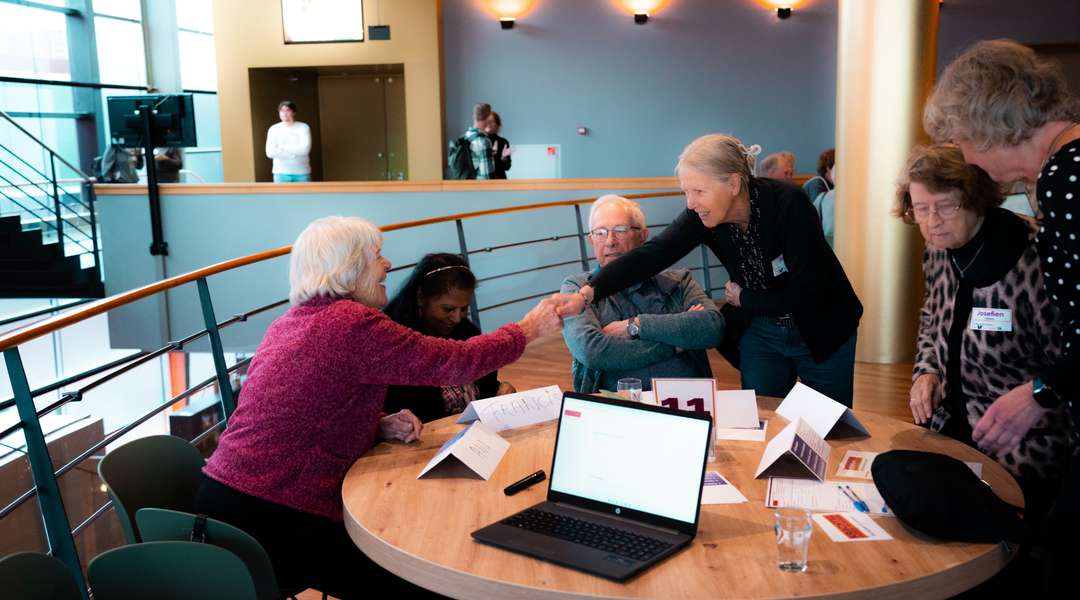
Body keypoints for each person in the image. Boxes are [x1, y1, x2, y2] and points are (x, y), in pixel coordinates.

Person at [194, 216, 562, 597]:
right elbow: (452, 362)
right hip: (276, 516)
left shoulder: (289, 322)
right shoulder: (351, 323)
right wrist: (529, 328)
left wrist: (377, 423)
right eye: (377, 255)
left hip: (223, 502)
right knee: (426, 576)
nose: (388, 264)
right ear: (349, 269)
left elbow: (306, 410)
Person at [552, 134, 863, 406]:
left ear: (733, 183)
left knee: (829, 427)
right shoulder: (701, 216)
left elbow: (809, 292)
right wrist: (589, 292)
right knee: (762, 419)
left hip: (822, 324)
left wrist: (745, 299)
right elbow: (653, 254)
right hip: (764, 330)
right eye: (686, 192)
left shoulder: (787, 203)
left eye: (698, 191)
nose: (691, 203)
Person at [897, 145, 1070, 525]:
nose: (931, 222)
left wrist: (1038, 399)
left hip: (1021, 443)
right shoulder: (938, 250)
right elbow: (932, 318)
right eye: (920, 209)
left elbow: (1067, 358)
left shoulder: (1032, 255)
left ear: (975, 197)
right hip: (951, 429)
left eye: (946, 206)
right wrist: (926, 371)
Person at [560, 195, 724, 393]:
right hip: (616, 409)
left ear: (643, 236)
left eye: (620, 230)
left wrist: (636, 326)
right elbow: (592, 351)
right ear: (591, 239)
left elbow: (711, 328)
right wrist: (676, 344)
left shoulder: (679, 280)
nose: (610, 241)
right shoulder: (578, 290)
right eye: (601, 233)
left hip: (687, 404)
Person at [383, 253, 516, 422]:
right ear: (421, 297)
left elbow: (486, 383)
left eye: (464, 309)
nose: (457, 318)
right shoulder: (396, 341)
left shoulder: (466, 330)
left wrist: (499, 390)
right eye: (448, 309)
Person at [265, 100, 312, 183]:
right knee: (281, 196)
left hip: (302, 173)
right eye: (281, 111)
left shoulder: (303, 127)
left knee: (305, 196)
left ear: (294, 112)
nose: (284, 113)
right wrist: (293, 154)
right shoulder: (273, 129)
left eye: (287, 110)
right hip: (280, 173)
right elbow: (270, 152)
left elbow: (305, 150)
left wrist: (282, 147)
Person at [462, 102, 495, 179]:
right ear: (488, 117)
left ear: (474, 116)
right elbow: (487, 177)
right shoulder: (483, 141)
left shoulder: (467, 135)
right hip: (481, 188)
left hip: (467, 186)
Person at [486, 111, 512, 179]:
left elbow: (507, 167)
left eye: (491, 121)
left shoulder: (503, 142)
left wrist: (504, 159)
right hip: (482, 182)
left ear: (497, 125)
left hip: (500, 180)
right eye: (487, 121)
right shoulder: (479, 141)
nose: (489, 123)